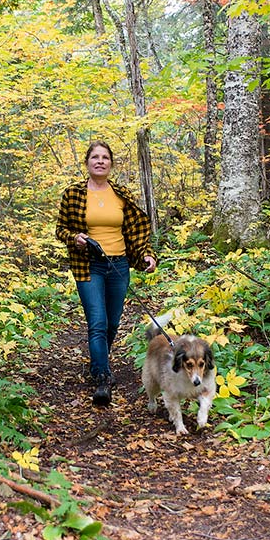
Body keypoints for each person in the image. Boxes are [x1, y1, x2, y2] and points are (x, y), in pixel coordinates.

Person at [56, 142, 157, 406]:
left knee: (112, 324)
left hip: (119, 265)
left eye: (105, 157)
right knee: (97, 323)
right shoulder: (73, 194)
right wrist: (74, 237)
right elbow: (60, 229)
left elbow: (137, 232)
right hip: (88, 265)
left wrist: (147, 254)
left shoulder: (122, 194)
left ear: (111, 163)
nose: (100, 161)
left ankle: (99, 362)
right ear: (87, 162)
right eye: (95, 157)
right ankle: (102, 376)